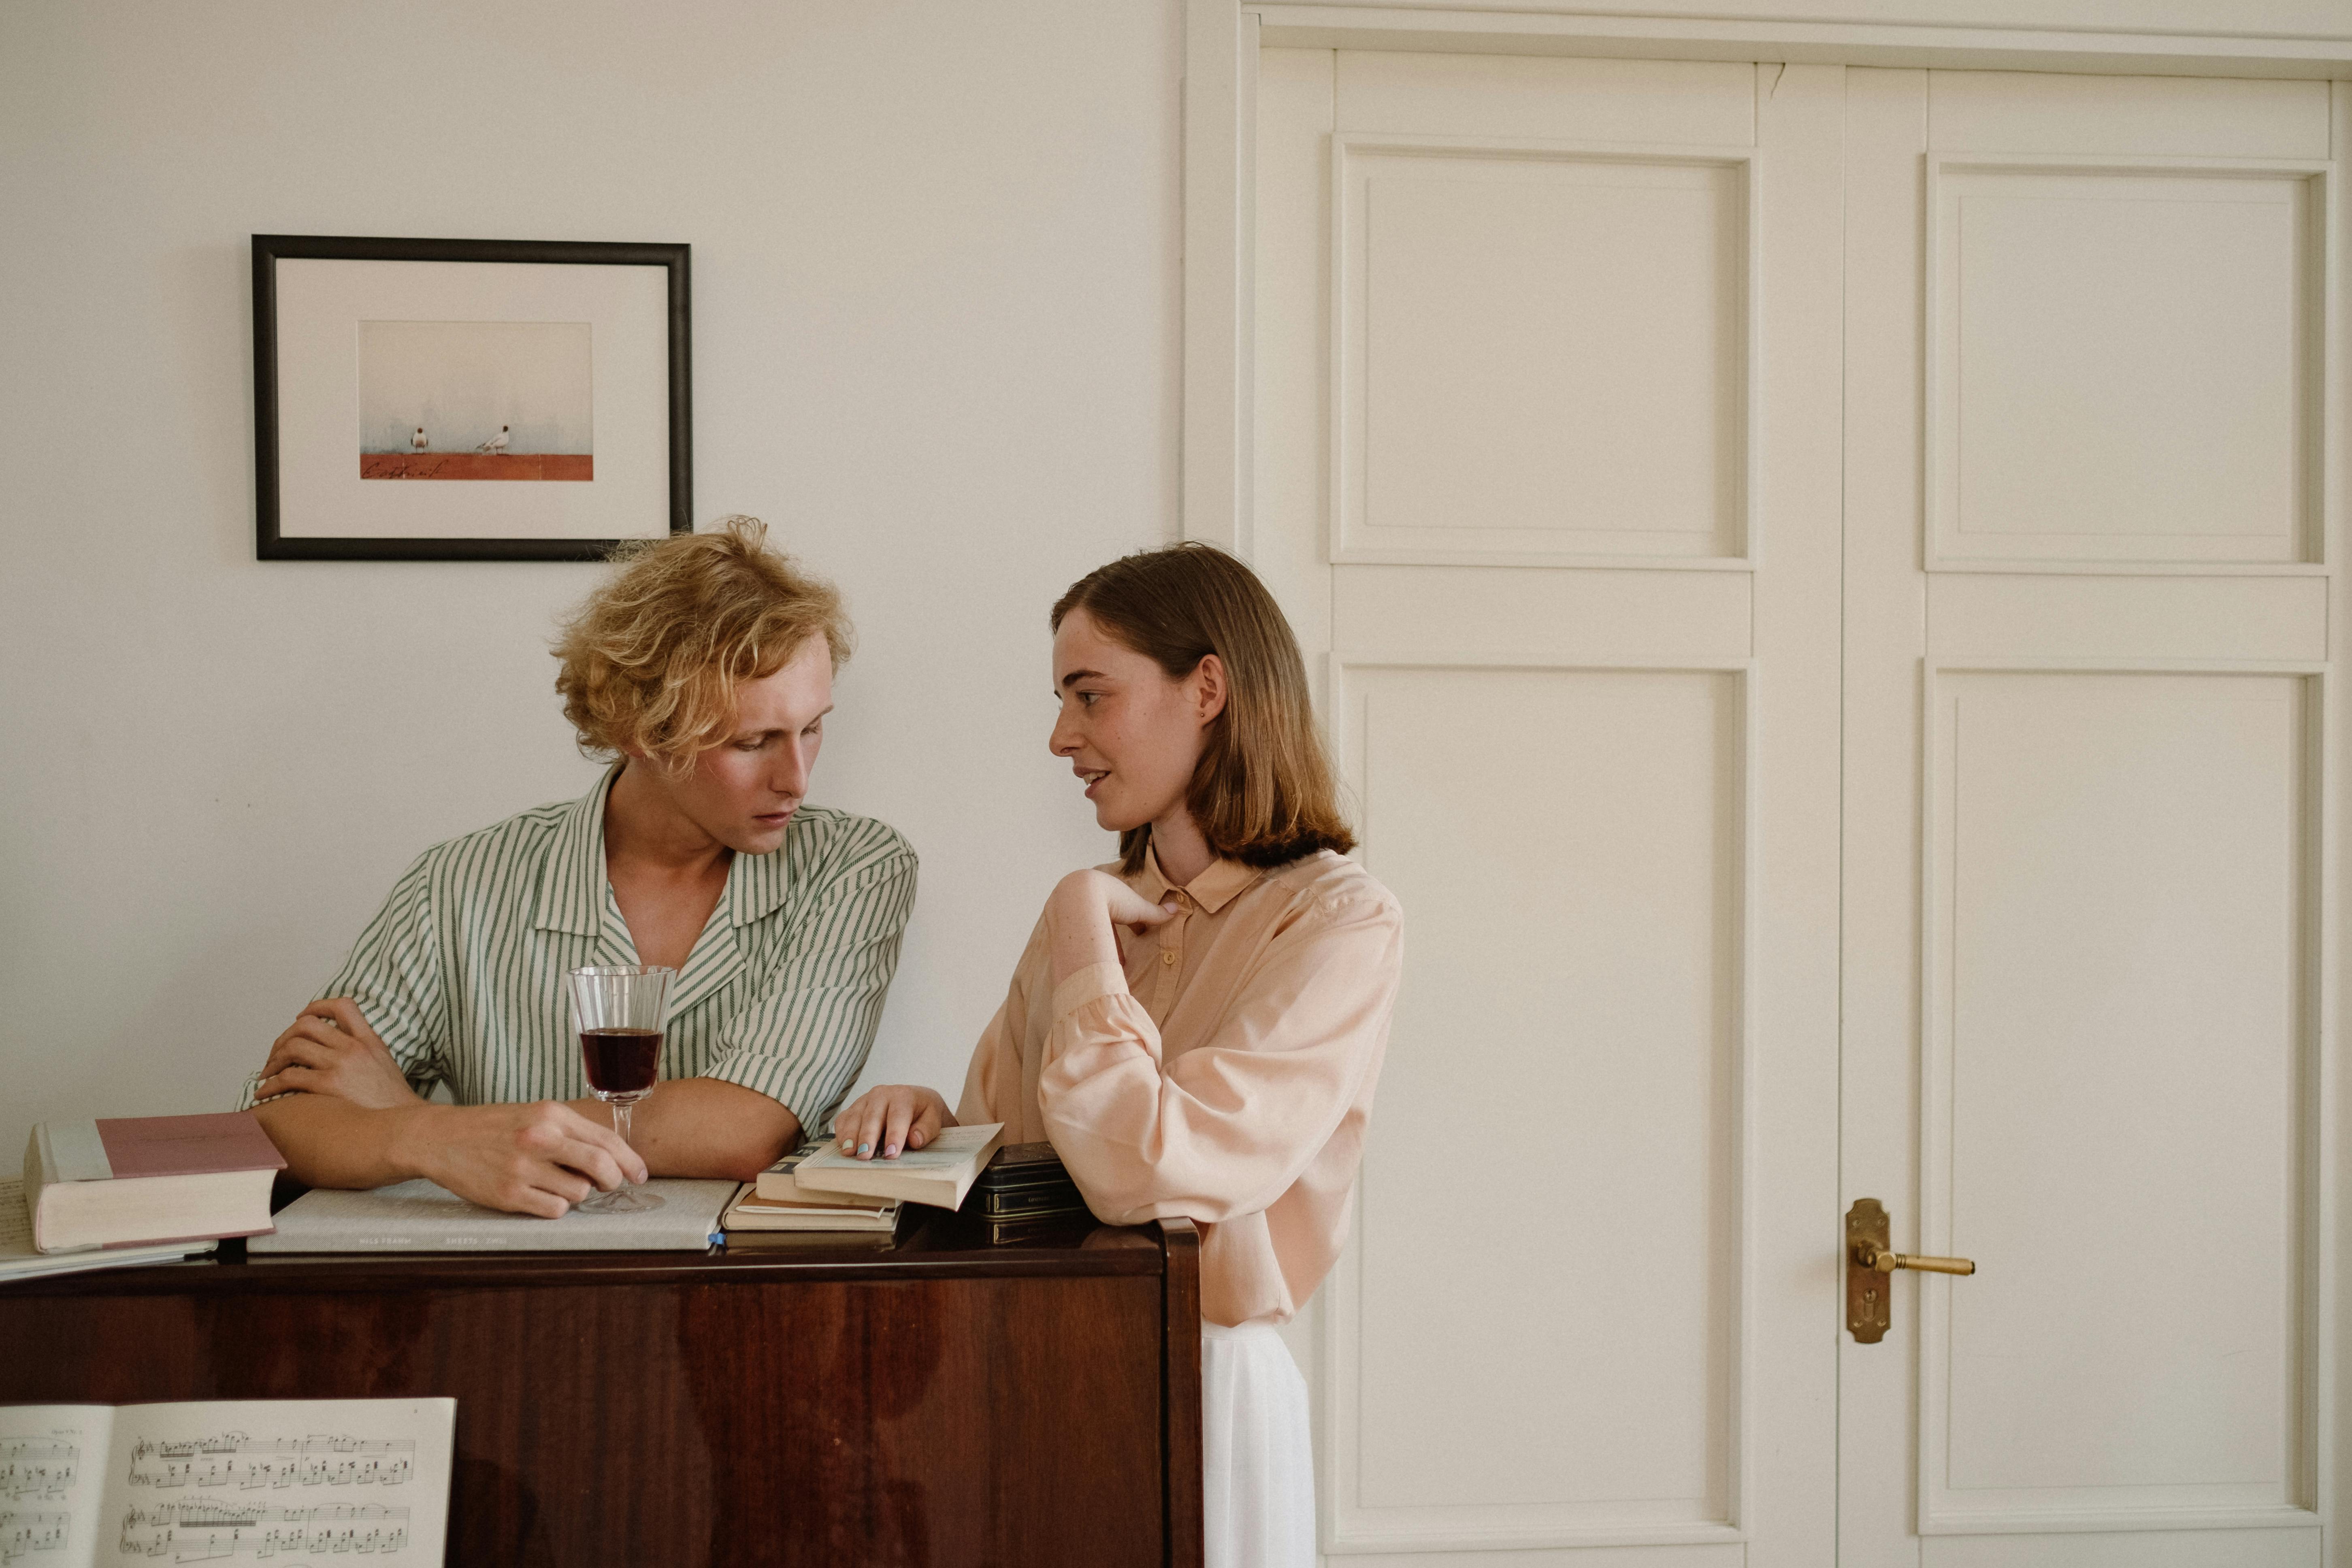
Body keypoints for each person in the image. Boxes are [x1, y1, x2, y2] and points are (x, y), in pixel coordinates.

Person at [834, 542, 1401, 1568]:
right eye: (1062, 700)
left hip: (1206, 1384)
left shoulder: (1337, 921)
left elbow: (1150, 1170)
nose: (1062, 736)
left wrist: (1078, 925)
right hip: (1038, 1367)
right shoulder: (1089, 911)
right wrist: (929, 1120)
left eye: (1090, 696)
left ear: (1208, 689)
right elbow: (1013, 1175)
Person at [245, 516, 917, 1218]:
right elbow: (279, 1119)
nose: (798, 778)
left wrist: (417, 1123)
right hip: (501, 1299)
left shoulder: (856, 867)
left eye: (812, 727)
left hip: (738, 1299)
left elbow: (746, 1129)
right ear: (640, 730)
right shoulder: (459, 886)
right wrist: (431, 1136)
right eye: (754, 742)